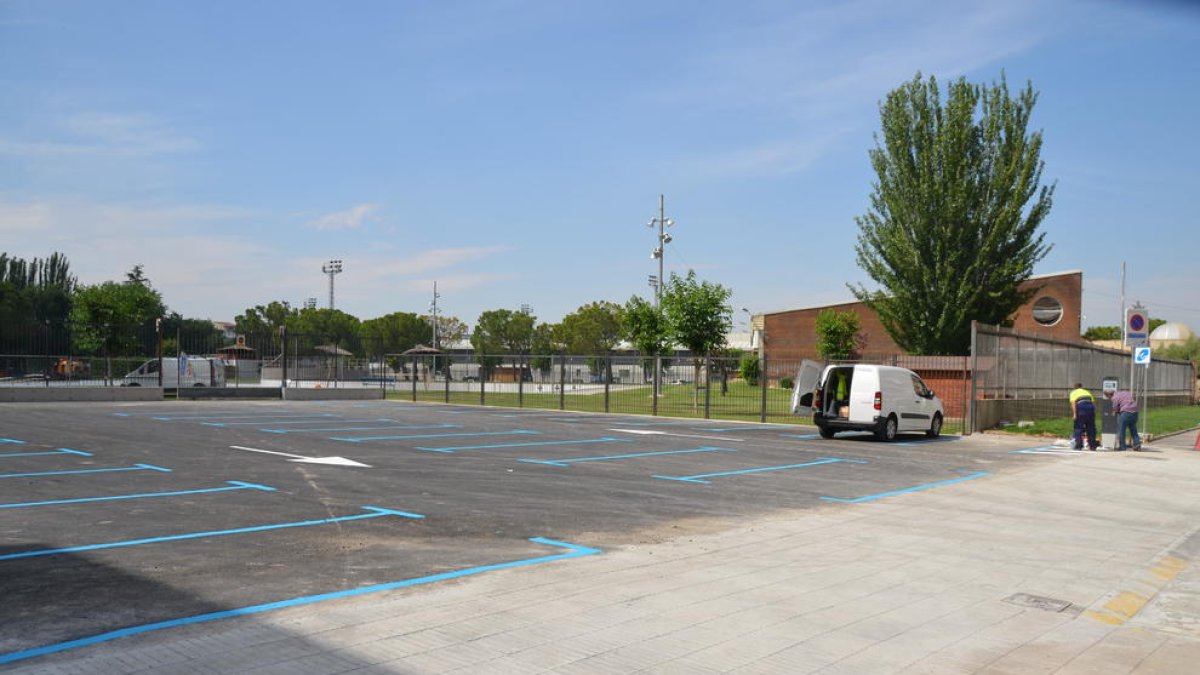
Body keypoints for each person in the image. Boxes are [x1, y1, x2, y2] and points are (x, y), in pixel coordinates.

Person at [1069, 382, 1099, 450]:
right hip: (1090, 409)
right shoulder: (1087, 392)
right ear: (1081, 387)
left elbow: (1073, 403)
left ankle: (1079, 446)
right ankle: (1092, 446)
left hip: (1081, 408)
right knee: (1091, 428)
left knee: (1078, 428)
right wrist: (1093, 413)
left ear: (1074, 387)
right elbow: (1093, 403)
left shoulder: (1073, 393)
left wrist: (1074, 414)